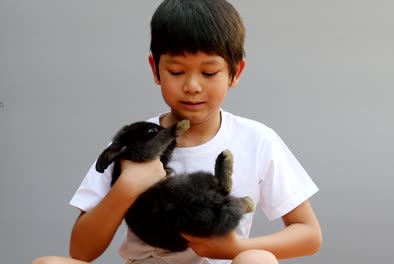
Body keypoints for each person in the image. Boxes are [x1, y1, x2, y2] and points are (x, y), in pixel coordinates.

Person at [32, 0, 322, 263]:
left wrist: (231, 249)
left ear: (236, 72)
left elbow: (309, 235)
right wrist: (127, 187)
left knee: (257, 260)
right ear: (155, 70)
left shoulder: (257, 140)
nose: (192, 86)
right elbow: (81, 252)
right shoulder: (135, 143)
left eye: (209, 73)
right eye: (176, 71)